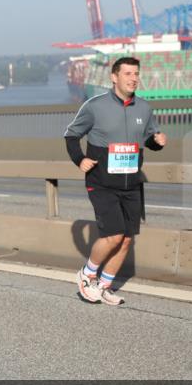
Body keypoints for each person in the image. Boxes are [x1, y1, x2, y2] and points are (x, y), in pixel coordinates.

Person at [64, 56, 166, 305]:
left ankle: (104, 285)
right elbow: (71, 135)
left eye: (136, 74)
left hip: (132, 182)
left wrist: (157, 142)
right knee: (113, 234)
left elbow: (149, 140)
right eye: (128, 73)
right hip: (101, 181)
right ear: (114, 77)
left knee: (127, 238)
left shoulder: (144, 108)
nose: (133, 78)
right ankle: (87, 275)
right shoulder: (95, 106)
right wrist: (80, 160)